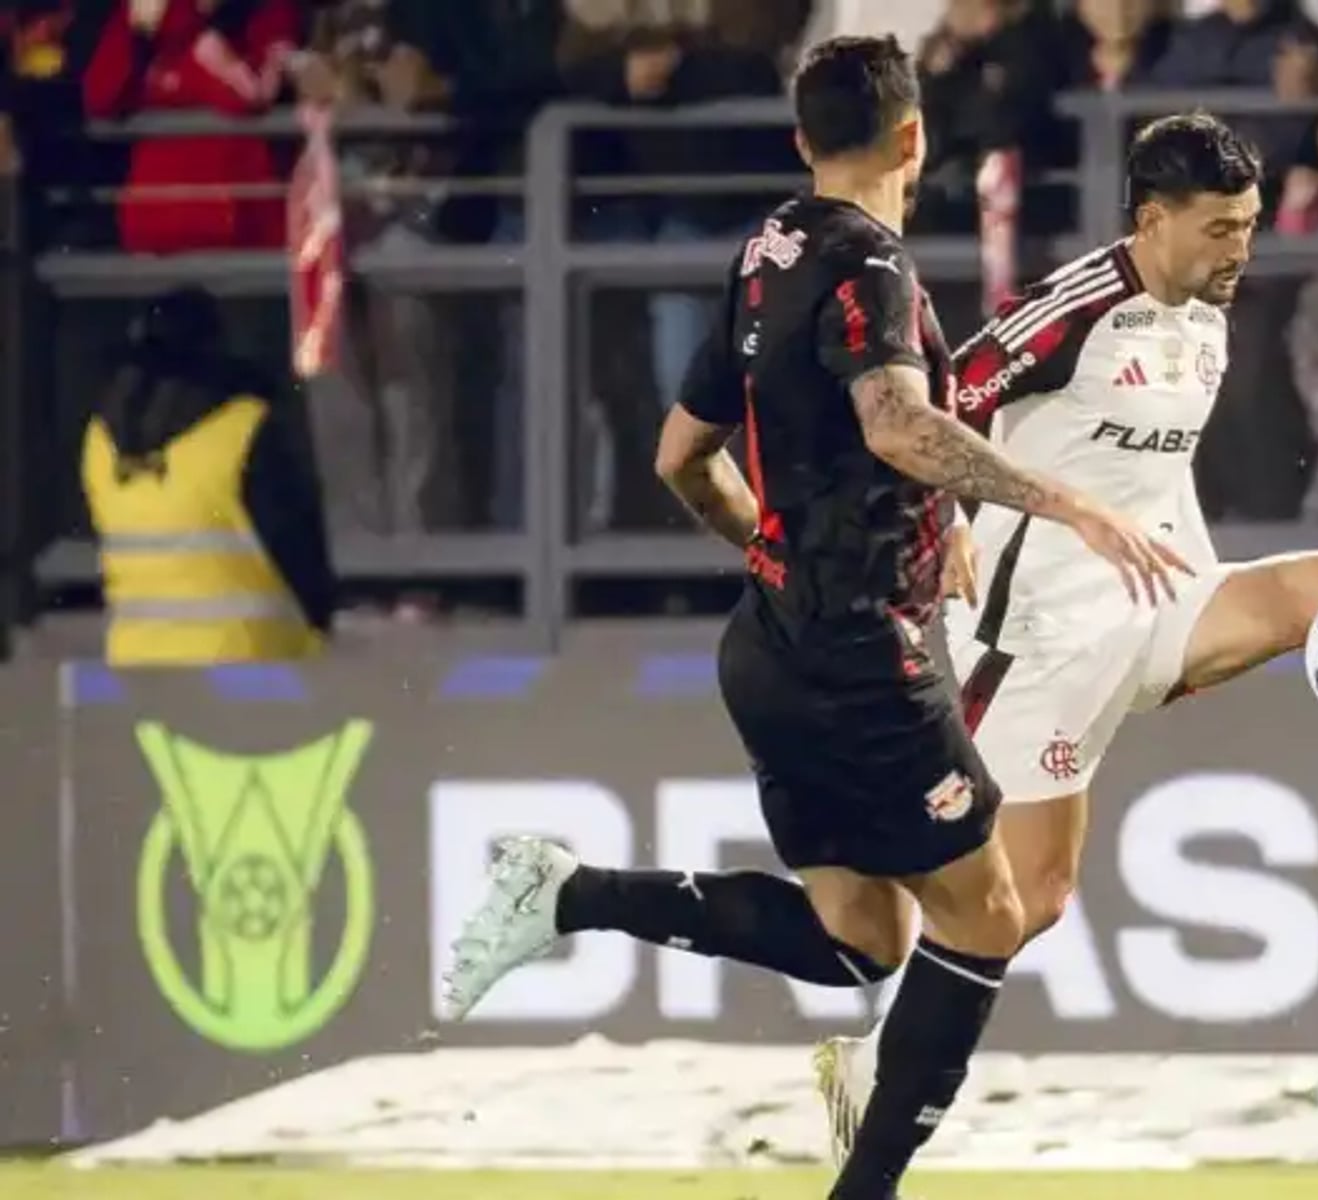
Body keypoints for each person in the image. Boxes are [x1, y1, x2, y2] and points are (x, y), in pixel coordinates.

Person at [435, 34, 1184, 1200]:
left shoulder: (765, 250)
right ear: (914, 136)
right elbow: (894, 423)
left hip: (773, 642)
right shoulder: (872, 268)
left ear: (801, 141)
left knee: (865, 939)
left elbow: (682, 456)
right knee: (989, 915)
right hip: (859, 652)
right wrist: (1062, 501)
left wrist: (785, 554)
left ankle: (567, 893)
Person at [815, 112, 1318, 1161]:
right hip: (1036, 639)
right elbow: (930, 407)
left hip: (1157, 601)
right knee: (1021, 904)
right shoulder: (1073, 310)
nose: (1239, 250)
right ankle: (873, 1060)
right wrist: (943, 525)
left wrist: (1200, 584)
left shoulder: (1206, 323)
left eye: (1250, 225)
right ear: (1153, 219)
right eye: (1218, 230)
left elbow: (1152, 475)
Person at [81, 287, 336, 666]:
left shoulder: (99, 440)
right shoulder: (244, 429)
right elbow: (297, 549)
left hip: (134, 662)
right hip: (251, 663)